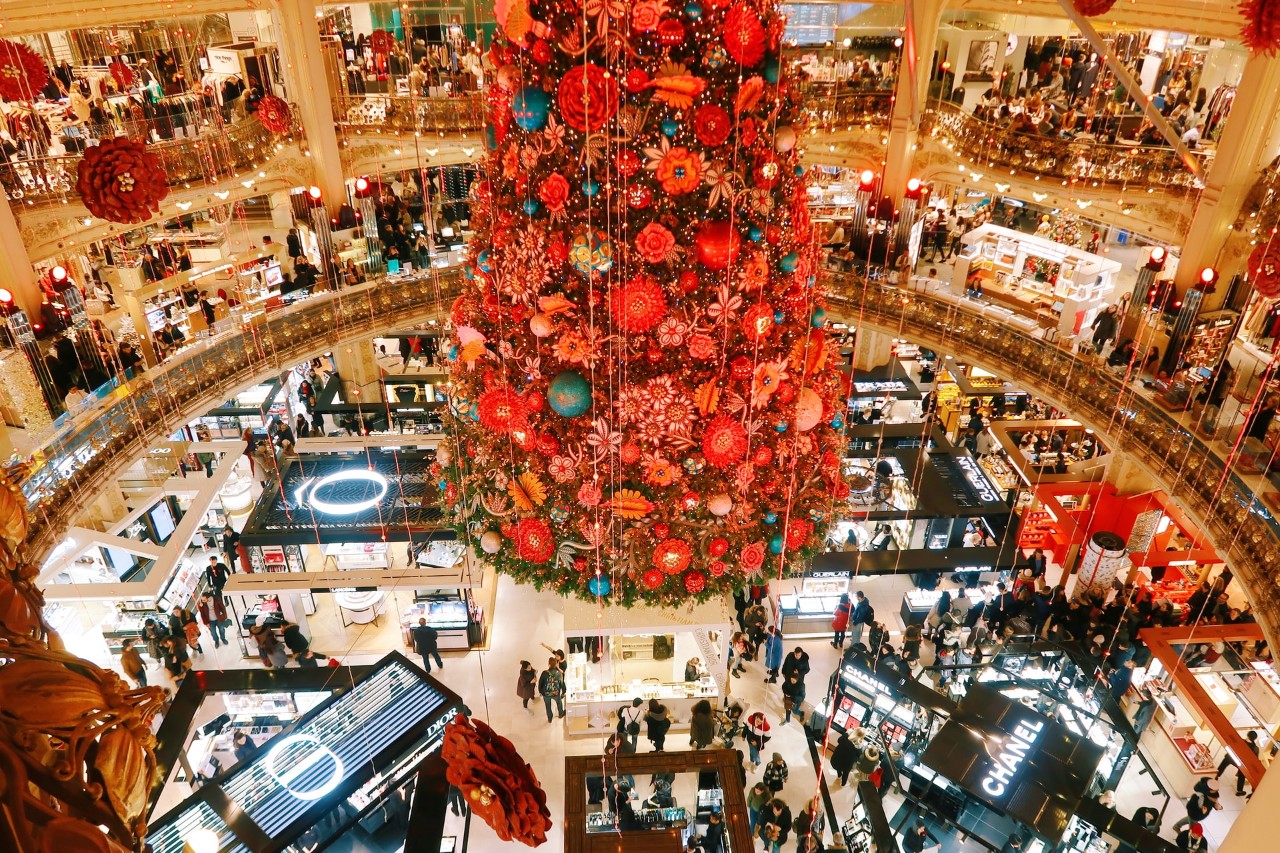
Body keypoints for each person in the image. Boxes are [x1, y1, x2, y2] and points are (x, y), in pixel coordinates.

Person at [1216, 729, 1260, 796]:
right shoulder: (1255, 748)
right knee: (1242, 774)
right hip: (1242, 763)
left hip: (1232, 758)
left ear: (1247, 735)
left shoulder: (1240, 741)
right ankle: (1239, 790)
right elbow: (1255, 759)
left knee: (1225, 761)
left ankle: (1217, 775)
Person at [538, 657, 566, 721]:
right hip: (555, 693)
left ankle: (550, 718)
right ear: (556, 664)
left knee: (548, 706)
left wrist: (540, 691)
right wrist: (563, 691)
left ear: (549, 664)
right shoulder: (559, 674)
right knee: (559, 702)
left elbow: (540, 683)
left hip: (546, 693)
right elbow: (562, 684)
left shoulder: (544, 673)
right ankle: (561, 713)